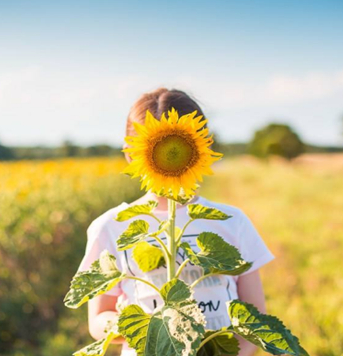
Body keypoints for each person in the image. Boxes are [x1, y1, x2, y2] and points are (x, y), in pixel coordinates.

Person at [77, 88, 275, 356]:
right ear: (131, 155)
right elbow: (99, 319)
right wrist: (146, 327)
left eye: (180, 146)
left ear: (203, 147)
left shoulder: (232, 222)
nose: (170, 155)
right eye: (156, 148)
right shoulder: (112, 226)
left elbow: (256, 319)